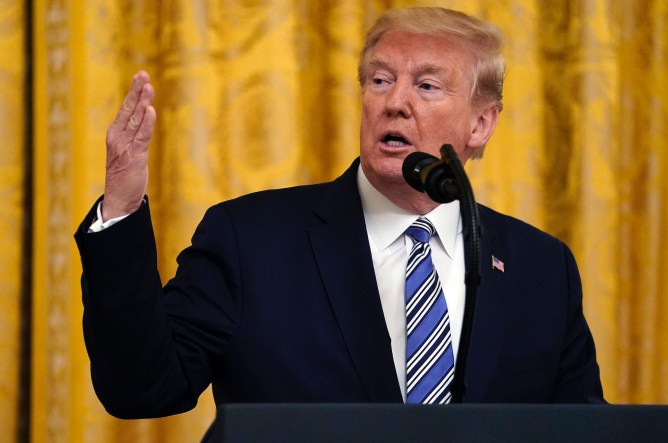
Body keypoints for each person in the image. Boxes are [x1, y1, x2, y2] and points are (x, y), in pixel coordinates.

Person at [75, 7, 605, 419]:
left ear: (481, 124)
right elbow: (141, 389)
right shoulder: (251, 241)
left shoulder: (541, 267)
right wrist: (120, 207)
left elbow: (581, 430)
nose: (394, 102)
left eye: (426, 85)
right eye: (379, 80)